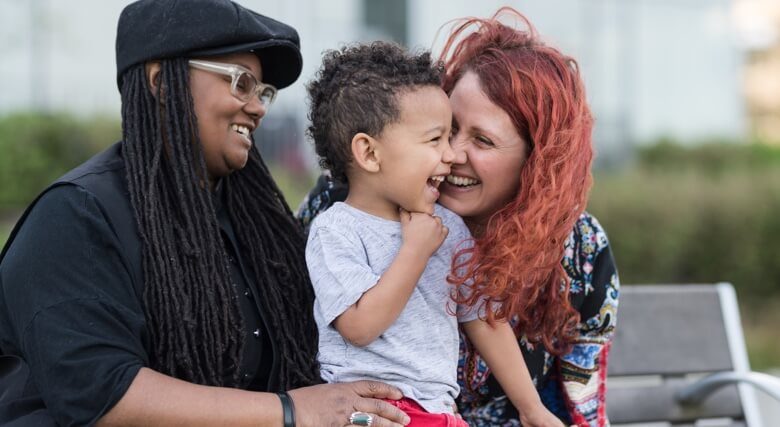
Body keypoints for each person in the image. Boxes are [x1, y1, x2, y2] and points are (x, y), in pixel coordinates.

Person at [0, 1, 411, 426]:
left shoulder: (254, 223)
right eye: (241, 82)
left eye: (263, 91)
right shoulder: (75, 216)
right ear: (161, 81)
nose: (258, 107)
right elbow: (102, 394)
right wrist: (291, 410)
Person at [297, 8, 619, 427]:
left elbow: (488, 322)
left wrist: (531, 409)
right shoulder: (342, 210)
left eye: (482, 140)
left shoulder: (578, 252)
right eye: (445, 132)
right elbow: (338, 331)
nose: (451, 155)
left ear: (536, 163)